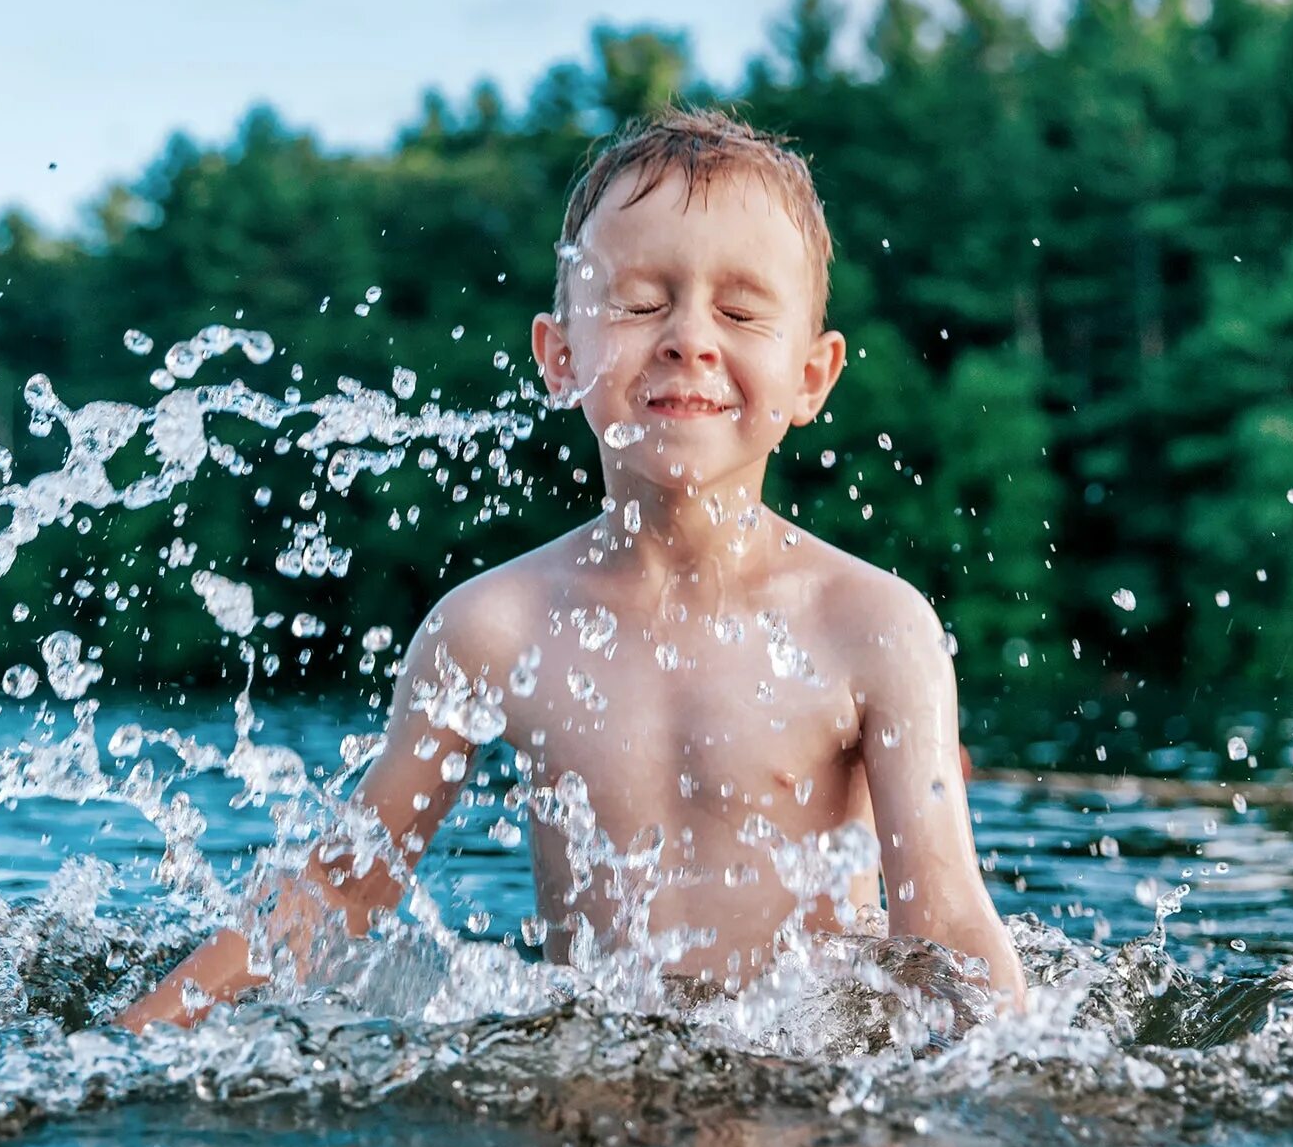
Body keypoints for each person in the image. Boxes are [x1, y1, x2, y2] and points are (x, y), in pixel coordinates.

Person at [116, 107, 1026, 1031]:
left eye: (741, 310)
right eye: (638, 303)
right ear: (559, 357)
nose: (688, 339)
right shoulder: (494, 626)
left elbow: (945, 922)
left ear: (811, 378)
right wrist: (133, 1042)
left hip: (809, 1095)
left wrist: (991, 1138)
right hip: (593, 1084)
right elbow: (345, 891)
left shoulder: (871, 627)